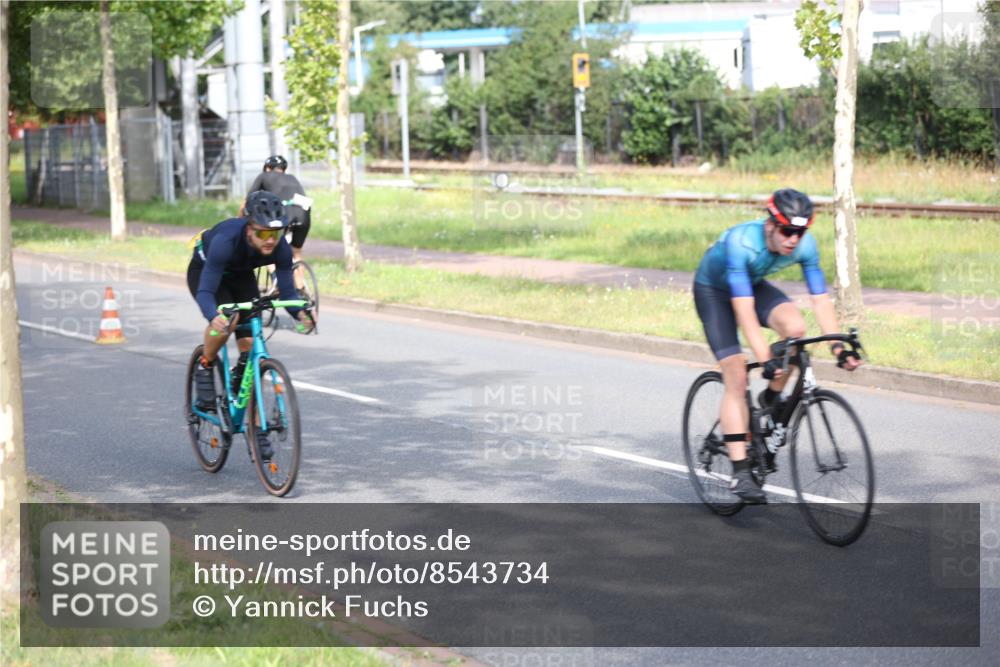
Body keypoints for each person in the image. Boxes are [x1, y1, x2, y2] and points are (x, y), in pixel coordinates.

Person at [692, 188, 862, 504]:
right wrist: (764, 358)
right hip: (713, 291)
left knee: (796, 330)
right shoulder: (742, 244)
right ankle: (741, 473)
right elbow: (743, 312)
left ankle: (769, 400)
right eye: (787, 230)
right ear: (770, 225)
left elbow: (821, 300)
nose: (793, 239)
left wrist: (839, 347)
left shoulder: (805, 245)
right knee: (737, 375)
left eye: (800, 232)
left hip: (751, 285)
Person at [189, 191, 314, 460]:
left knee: (252, 356)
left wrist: (300, 315)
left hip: (241, 276)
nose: (270, 241)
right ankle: (206, 364)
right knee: (228, 321)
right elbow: (205, 293)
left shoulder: (278, 248)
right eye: (263, 234)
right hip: (208, 273)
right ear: (249, 229)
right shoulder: (226, 241)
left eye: (276, 234)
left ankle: (255, 429)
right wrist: (213, 315)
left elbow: (289, 294)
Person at [241, 155, 312, 289]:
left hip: (284, 213)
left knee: (267, 247)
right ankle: (301, 289)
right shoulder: (292, 177)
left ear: (268, 168)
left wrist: (239, 221)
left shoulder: (264, 176)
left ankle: (277, 281)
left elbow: (247, 201)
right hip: (304, 213)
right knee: (296, 253)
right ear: (283, 169)